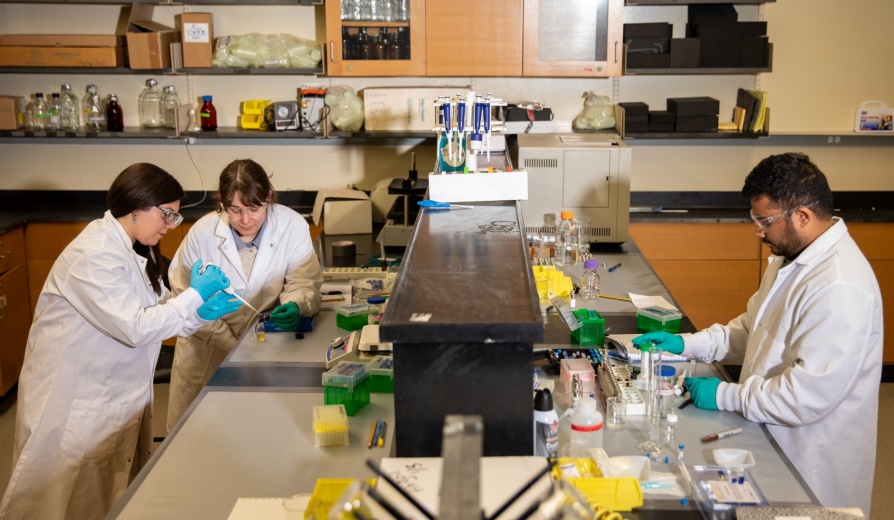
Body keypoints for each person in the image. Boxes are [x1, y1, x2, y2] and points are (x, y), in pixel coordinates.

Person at [633, 153, 882, 516]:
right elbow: (753, 328)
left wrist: (726, 394)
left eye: (765, 220)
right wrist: (687, 344)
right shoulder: (791, 257)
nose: (758, 231)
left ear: (802, 216)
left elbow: (805, 398)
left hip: (810, 457)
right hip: (766, 434)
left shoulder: (840, 286)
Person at [0, 163, 242, 520]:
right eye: (167, 215)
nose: (169, 225)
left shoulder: (134, 251)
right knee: (56, 504)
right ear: (136, 205)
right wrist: (193, 295)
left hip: (113, 396)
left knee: (105, 501)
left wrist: (200, 313)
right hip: (75, 403)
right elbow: (136, 328)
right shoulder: (94, 254)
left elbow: (155, 316)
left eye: (174, 217)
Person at [166, 159, 323, 431]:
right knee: (199, 440)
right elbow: (183, 300)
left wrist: (296, 303)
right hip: (207, 352)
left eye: (254, 208)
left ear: (268, 198)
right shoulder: (202, 234)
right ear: (222, 203)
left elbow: (304, 282)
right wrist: (230, 343)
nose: (246, 220)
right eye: (235, 210)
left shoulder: (292, 226)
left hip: (269, 349)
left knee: (261, 434)